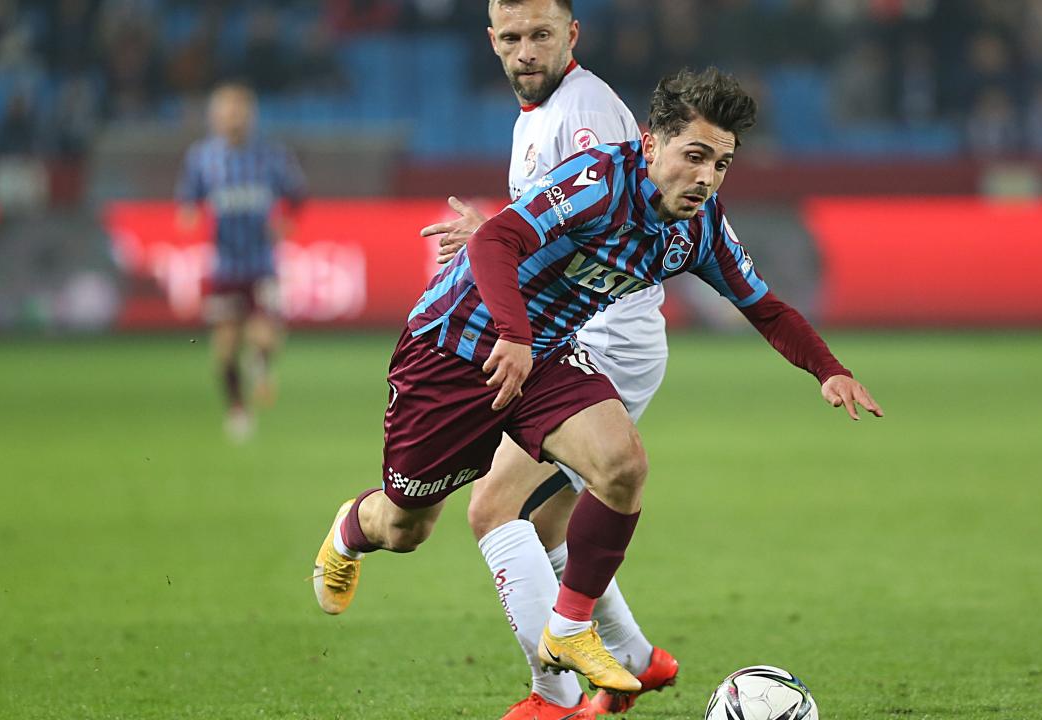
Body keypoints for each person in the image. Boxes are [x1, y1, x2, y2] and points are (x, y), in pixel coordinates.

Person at [312, 65, 882, 703]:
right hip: (452, 353)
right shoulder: (599, 183)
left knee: (621, 465)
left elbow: (765, 307)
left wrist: (829, 369)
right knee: (405, 527)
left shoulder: (698, 228)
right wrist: (513, 334)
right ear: (651, 144)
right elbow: (495, 240)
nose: (706, 178)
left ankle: (570, 629)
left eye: (721, 164)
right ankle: (349, 531)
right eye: (694, 156)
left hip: (545, 357)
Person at [413, 1, 673, 717]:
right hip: (588, 331)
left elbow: (604, 228)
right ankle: (637, 661)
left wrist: (500, 244)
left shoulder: (582, 112)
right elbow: (553, 217)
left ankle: (552, 700)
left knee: (494, 508)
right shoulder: (539, 113)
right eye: (513, 37)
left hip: (603, 334)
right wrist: (494, 231)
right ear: (492, 40)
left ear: (571, 36)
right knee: (548, 524)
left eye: (541, 35)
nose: (526, 50)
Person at [176, 82, 305, 441]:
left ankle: (259, 363)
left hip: (262, 265)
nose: (233, 119)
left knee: (266, 338)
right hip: (224, 267)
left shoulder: (272, 156)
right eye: (226, 112)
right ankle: (237, 408)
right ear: (214, 117)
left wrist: (284, 221)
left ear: (251, 116)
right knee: (225, 349)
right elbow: (188, 199)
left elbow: (296, 195)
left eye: (240, 112)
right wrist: (189, 216)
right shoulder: (201, 158)